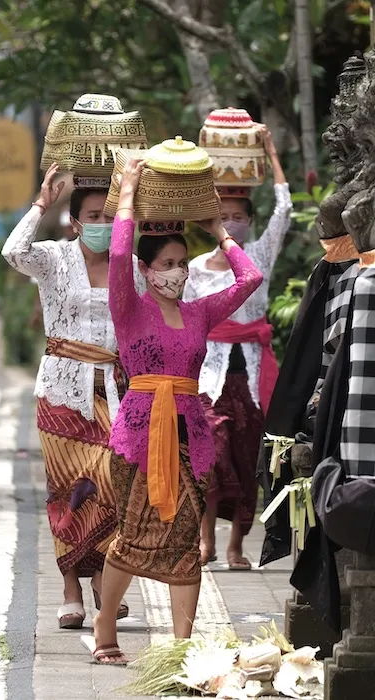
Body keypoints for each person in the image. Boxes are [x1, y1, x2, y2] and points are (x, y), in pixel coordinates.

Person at [87, 158, 263, 664]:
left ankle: (182, 650)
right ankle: (106, 625)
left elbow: (250, 279)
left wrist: (220, 235)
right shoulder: (130, 306)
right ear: (146, 270)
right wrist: (129, 197)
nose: (178, 272)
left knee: (186, 539)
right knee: (137, 533)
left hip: (190, 437)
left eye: (182, 263)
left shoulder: (199, 311)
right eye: (166, 264)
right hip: (140, 437)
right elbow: (118, 253)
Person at [1, 163, 144, 630]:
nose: (102, 225)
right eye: (93, 217)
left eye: (110, 216)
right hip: (62, 390)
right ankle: (70, 586)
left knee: (108, 483)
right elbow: (12, 251)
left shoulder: (130, 266)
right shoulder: (55, 258)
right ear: (77, 220)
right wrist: (43, 201)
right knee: (66, 492)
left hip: (114, 392)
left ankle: (103, 572)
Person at [182, 126, 292, 570]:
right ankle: (206, 540)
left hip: (249, 377)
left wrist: (268, 149)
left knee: (247, 461)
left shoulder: (260, 256)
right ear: (213, 222)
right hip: (208, 377)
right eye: (223, 216)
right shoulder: (192, 268)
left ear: (248, 219)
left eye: (239, 215)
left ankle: (235, 547)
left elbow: (284, 209)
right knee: (209, 458)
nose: (233, 222)